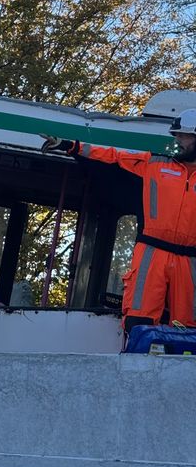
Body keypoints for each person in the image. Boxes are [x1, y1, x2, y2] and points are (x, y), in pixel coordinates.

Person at [41, 108, 196, 335]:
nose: (178, 140)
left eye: (184, 135)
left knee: (189, 327)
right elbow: (113, 157)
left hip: (190, 260)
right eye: (177, 135)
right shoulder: (154, 163)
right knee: (138, 320)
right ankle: (134, 366)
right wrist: (71, 146)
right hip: (151, 253)